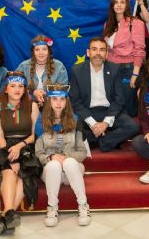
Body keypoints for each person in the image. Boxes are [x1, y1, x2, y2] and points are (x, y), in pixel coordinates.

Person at [0, 71, 40, 235]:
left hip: (27, 145)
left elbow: (34, 134)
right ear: (6, 89)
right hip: (5, 146)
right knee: (10, 174)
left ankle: (5, 216)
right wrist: (10, 153)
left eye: (21, 86)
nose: (17, 89)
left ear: (25, 89)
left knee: (24, 176)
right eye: (13, 86)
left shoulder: (32, 106)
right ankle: (10, 213)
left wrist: (20, 147)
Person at [69, 37, 139, 151]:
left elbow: (119, 99)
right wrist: (92, 123)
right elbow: (75, 101)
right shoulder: (77, 70)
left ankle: (101, 141)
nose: (98, 53)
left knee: (133, 126)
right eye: (94, 49)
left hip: (109, 111)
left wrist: (105, 123)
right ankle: (108, 140)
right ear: (88, 52)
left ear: (107, 54)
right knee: (73, 130)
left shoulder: (115, 69)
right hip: (88, 112)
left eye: (102, 50)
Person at [35, 85, 91, 227]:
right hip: (51, 172)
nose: (58, 103)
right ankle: (52, 207)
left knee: (69, 163)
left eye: (62, 99)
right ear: (49, 101)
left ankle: (83, 205)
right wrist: (52, 157)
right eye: (54, 99)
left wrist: (66, 156)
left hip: (73, 169)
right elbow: (38, 153)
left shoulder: (76, 120)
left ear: (67, 101)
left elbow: (83, 152)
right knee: (54, 165)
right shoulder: (40, 122)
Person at [103, 0, 146, 116]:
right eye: (116, 2)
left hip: (128, 68)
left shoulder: (136, 23)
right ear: (112, 6)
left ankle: (131, 131)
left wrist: (135, 74)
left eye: (122, 2)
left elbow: (139, 50)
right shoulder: (108, 25)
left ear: (127, 5)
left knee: (128, 105)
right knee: (114, 103)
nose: (119, 5)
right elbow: (107, 49)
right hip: (110, 68)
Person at [16, 36, 69, 105]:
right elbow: (15, 88)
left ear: (49, 51)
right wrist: (33, 93)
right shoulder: (23, 66)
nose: (41, 53)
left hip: (53, 106)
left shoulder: (59, 67)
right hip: (28, 105)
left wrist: (46, 96)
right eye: (37, 50)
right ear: (33, 52)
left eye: (44, 49)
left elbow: (63, 91)